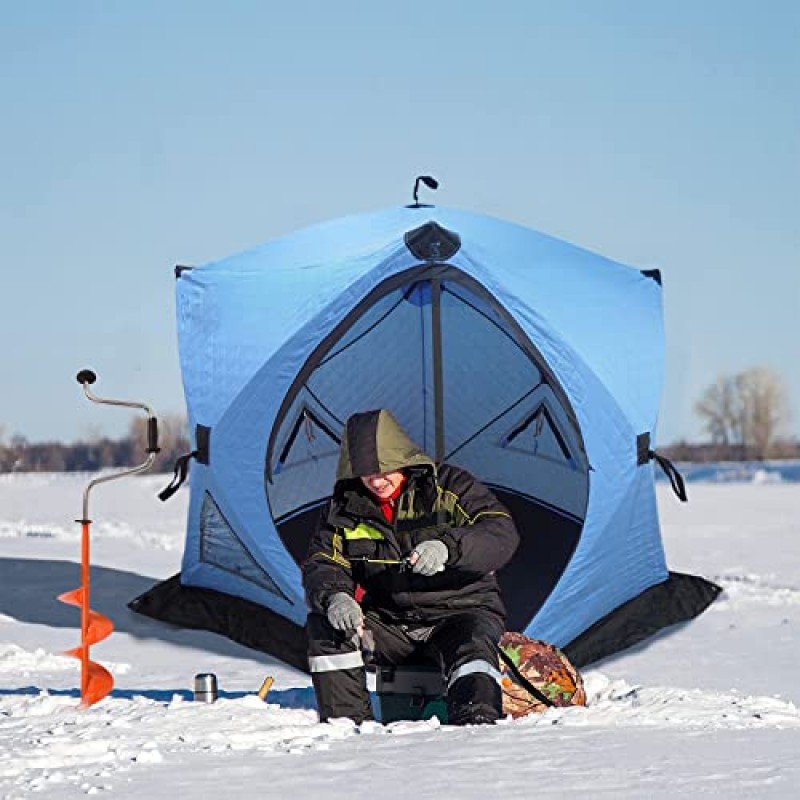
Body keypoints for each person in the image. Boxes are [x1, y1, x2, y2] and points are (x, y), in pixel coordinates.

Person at [303, 408, 520, 725]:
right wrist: (336, 596)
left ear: (403, 459)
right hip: (391, 624)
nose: (377, 481)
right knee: (326, 627)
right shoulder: (343, 507)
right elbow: (324, 560)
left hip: (461, 612)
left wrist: (448, 548)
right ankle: (347, 727)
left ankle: (477, 724)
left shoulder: (449, 486)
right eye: (366, 474)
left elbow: (500, 532)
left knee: (472, 645)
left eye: (385, 469)